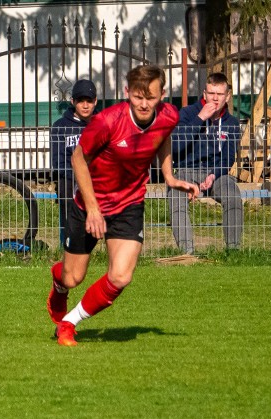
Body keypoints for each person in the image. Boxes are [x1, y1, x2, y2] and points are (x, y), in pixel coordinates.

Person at [46, 65, 200, 347]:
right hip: (90, 204)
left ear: (162, 95)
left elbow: (162, 137)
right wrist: (93, 209)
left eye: (151, 98)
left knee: (120, 276)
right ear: (127, 92)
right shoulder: (106, 121)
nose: (144, 104)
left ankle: (69, 322)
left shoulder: (169, 115)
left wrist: (169, 177)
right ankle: (58, 284)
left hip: (129, 203)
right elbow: (78, 160)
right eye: (138, 97)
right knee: (72, 278)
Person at [168, 72, 242, 254]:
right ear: (204, 94)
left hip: (216, 174)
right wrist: (200, 118)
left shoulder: (231, 123)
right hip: (187, 170)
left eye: (220, 94)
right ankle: (187, 253)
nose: (215, 99)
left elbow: (228, 158)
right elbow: (175, 147)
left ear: (228, 97)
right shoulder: (187, 113)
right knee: (176, 196)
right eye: (211, 93)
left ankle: (233, 252)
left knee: (233, 194)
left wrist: (213, 174)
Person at [51, 79, 98, 244]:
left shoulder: (102, 124)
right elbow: (58, 161)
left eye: (89, 101)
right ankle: (68, 245)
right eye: (80, 101)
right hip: (71, 181)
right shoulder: (60, 126)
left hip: (98, 179)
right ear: (73, 102)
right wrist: (79, 176)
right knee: (71, 220)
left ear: (95, 101)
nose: (85, 105)